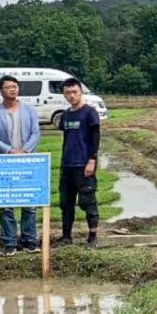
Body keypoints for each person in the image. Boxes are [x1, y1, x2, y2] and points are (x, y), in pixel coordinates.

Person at [0, 75, 42, 255]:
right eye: (8, 87)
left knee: (29, 203)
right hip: (5, 162)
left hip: (27, 161)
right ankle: (9, 243)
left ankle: (30, 241)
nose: (13, 89)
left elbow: (35, 133)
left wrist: (25, 151)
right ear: (1, 90)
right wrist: (9, 151)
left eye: (15, 86)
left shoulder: (29, 110)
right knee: (6, 204)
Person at [56, 78, 101, 248]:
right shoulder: (66, 115)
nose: (71, 96)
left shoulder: (89, 112)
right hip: (68, 165)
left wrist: (92, 160)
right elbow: (66, 139)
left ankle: (93, 236)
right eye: (67, 93)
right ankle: (66, 236)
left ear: (81, 92)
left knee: (88, 200)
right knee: (66, 203)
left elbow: (95, 138)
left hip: (84, 164)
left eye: (74, 92)